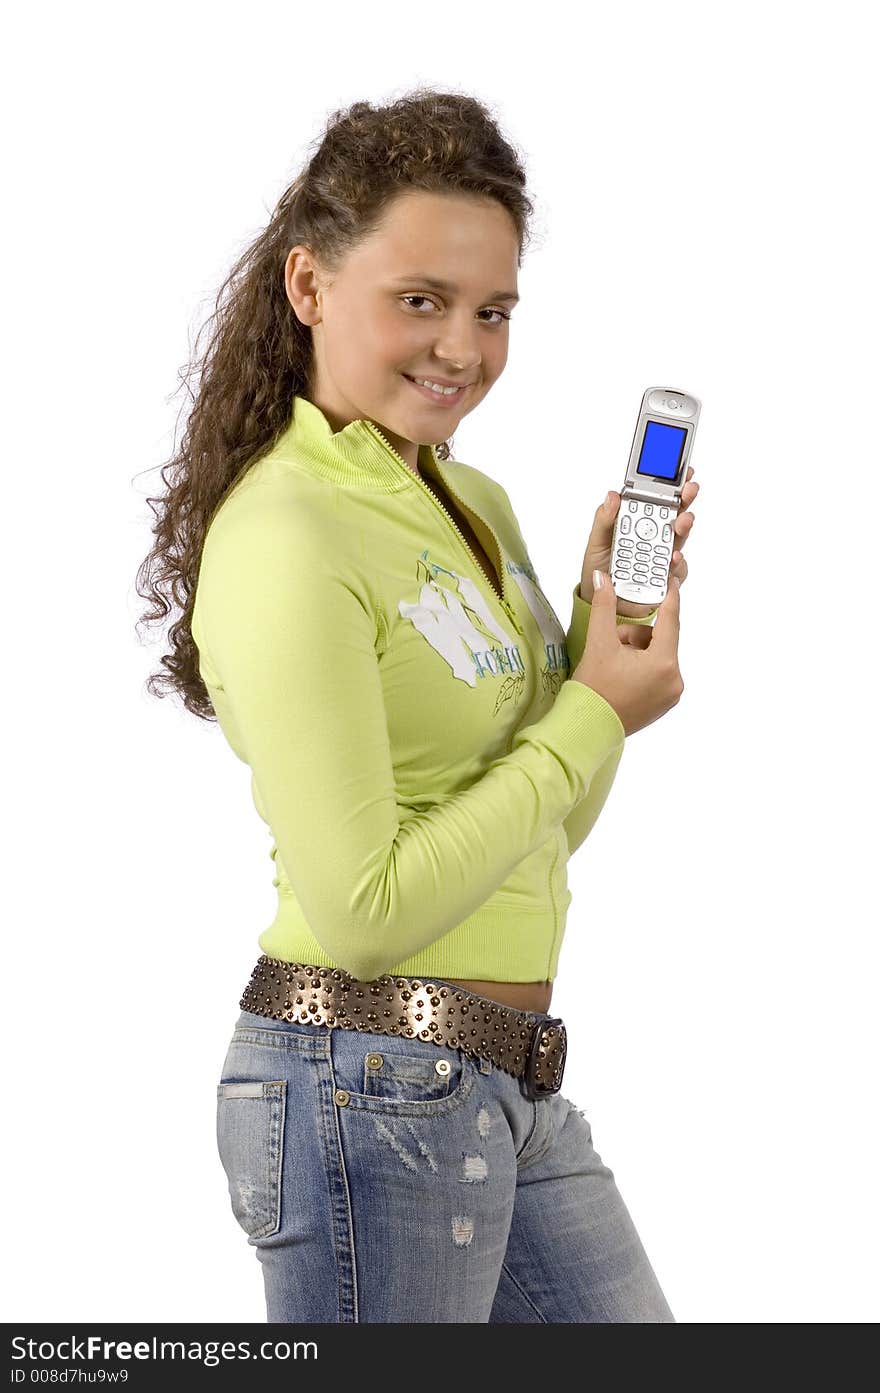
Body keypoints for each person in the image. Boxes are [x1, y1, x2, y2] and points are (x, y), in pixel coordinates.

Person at [138, 88, 698, 1322]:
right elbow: (366, 911)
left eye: (492, 311)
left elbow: (544, 832)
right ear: (308, 287)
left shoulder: (473, 505)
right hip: (360, 1083)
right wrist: (590, 714)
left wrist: (601, 649)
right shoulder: (289, 528)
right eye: (421, 301)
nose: (463, 348)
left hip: (503, 1084)